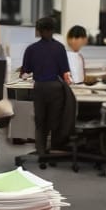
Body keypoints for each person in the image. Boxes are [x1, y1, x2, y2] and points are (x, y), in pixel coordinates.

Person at [20, 16, 72, 168]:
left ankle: (42, 155)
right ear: (53, 30)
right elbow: (65, 73)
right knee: (54, 123)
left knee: (40, 123)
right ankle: (54, 156)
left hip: (40, 88)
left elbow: (25, 71)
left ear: (38, 31)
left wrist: (25, 72)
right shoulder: (60, 48)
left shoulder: (31, 49)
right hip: (56, 88)